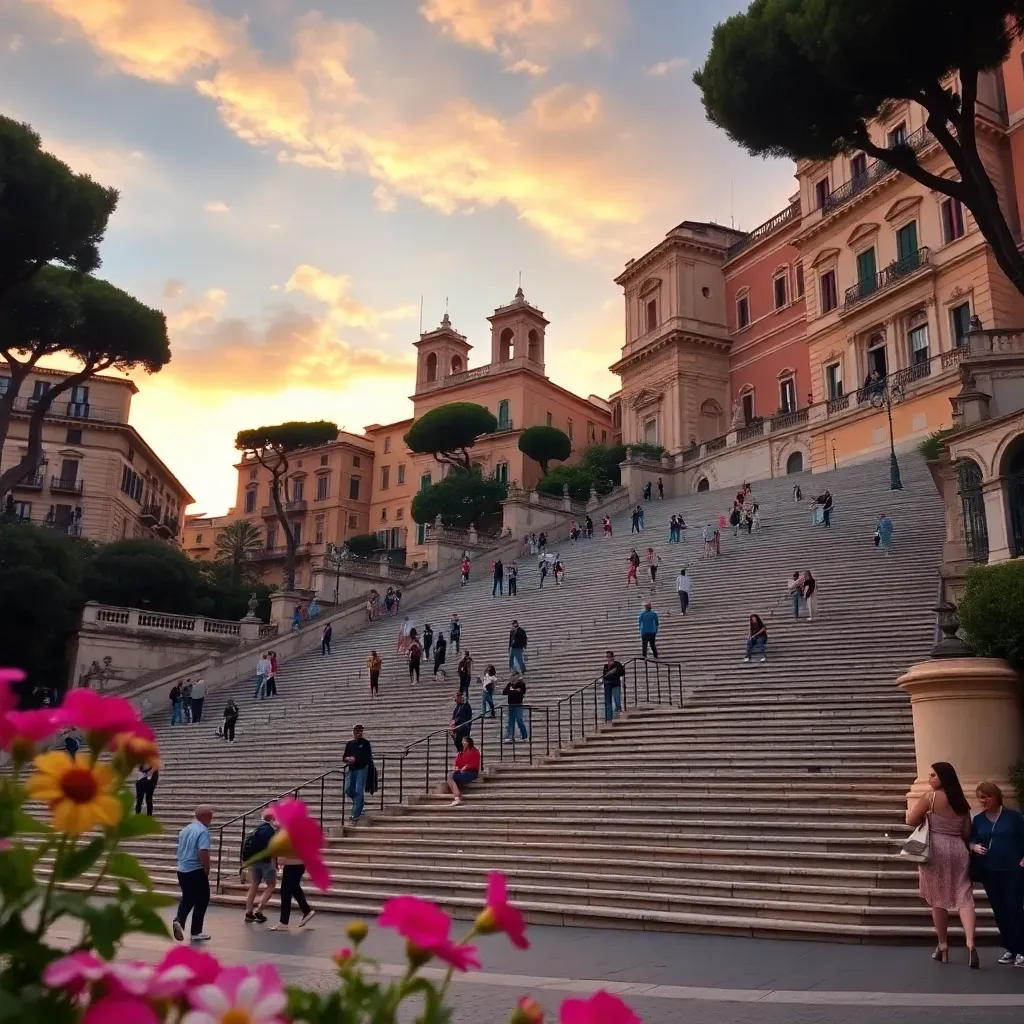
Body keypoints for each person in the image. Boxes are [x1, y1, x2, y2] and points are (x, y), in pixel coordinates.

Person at [907, 762, 978, 967]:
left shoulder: (931, 797)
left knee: (937, 897)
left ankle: (943, 945)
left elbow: (911, 820)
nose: (930, 779)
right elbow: (966, 832)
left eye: (933, 775)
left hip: (935, 848)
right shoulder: (962, 803)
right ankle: (971, 943)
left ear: (943, 778)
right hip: (957, 848)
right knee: (964, 894)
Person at [969, 781, 1024, 966]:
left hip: (1013, 869)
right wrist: (974, 846)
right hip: (990, 871)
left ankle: (1021, 950)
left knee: (1014, 908)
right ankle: (1010, 948)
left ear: (996, 797)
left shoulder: (1013, 817)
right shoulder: (978, 819)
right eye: (980, 797)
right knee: (999, 910)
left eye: (986, 796)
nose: (983, 800)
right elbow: (970, 839)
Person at [172, 806, 213, 944]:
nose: (211, 820)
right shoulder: (202, 831)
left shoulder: (185, 830)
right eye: (211, 816)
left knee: (188, 898)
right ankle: (196, 931)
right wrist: (206, 867)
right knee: (202, 899)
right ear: (205, 816)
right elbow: (203, 851)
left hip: (182, 869)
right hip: (195, 869)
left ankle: (179, 920)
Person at [243, 810, 278, 924]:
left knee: (254, 884)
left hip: (255, 860)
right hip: (266, 861)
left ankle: (249, 912)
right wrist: (275, 863)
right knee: (271, 885)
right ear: (273, 819)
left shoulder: (258, 829)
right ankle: (260, 909)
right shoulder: (271, 831)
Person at [270, 847, 315, 932]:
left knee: (285, 892)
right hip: (296, 864)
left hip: (293, 864)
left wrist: (280, 857)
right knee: (294, 888)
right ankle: (306, 910)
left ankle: (283, 922)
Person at [343, 725, 372, 822]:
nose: (359, 733)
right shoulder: (350, 744)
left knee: (359, 790)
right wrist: (348, 759)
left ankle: (355, 814)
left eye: (360, 731)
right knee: (348, 789)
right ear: (353, 732)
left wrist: (356, 759)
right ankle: (358, 802)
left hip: (362, 769)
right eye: (357, 731)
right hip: (352, 769)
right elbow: (344, 757)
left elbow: (367, 757)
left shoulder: (366, 743)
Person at [448, 735, 481, 806]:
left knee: (452, 777)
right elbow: (458, 764)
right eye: (462, 742)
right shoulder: (463, 753)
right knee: (451, 776)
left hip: (472, 772)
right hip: (463, 771)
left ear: (469, 742)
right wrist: (459, 756)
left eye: (465, 742)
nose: (463, 743)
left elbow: (475, 764)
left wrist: (466, 767)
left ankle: (458, 798)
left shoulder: (475, 751)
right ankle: (458, 797)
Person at [602, 651, 626, 722]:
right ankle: (609, 718)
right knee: (608, 701)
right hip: (607, 684)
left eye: (609, 656)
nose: (608, 658)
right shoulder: (606, 666)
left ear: (613, 657)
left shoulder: (617, 664)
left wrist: (613, 672)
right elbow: (604, 676)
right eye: (607, 657)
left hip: (615, 683)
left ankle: (618, 712)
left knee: (617, 699)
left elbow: (622, 672)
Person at [503, 672, 528, 741]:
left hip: (518, 704)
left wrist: (513, 690)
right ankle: (510, 736)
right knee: (510, 721)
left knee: (519, 720)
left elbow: (521, 692)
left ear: (516, 676)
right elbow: (504, 692)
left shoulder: (521, 684)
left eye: (512, 676)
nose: (511, 677)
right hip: (511, 705)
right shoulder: (510, 684)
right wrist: (510, 689)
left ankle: (524, 735)